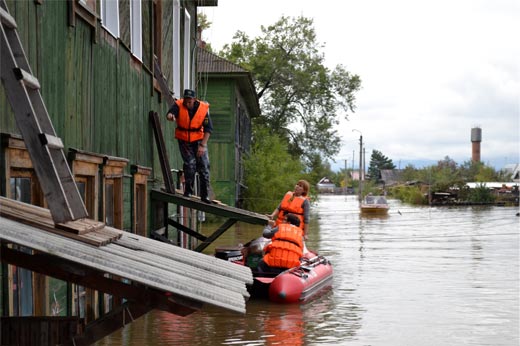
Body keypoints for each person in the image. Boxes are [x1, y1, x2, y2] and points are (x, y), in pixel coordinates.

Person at [166, 89, 213, 203]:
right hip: (184, 140)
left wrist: (203, 145)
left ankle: (205, 195)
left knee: (204, 167)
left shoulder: (203, 109)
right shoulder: (178, 105)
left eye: (190, 101)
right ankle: (188, 191)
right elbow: (170, 113)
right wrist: (170, 116)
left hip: (199, 139)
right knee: (190, 164)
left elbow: (208, 129)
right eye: (186, 100)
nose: (187, 103)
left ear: (194, 99)